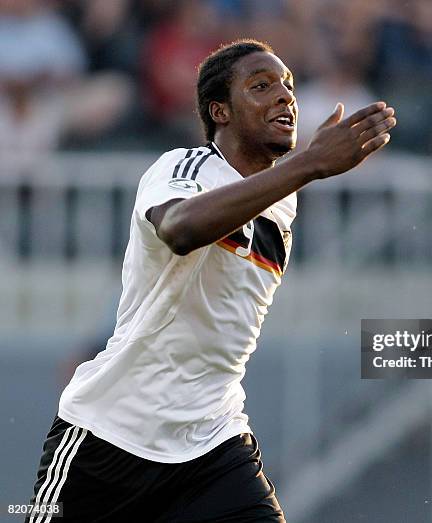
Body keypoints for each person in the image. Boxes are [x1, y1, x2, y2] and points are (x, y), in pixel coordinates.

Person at [26, 39, 396, 522]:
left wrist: (303, 170)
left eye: (288, 86)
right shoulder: (181, 168)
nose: (285, 96)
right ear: (219, 111)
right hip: (111, 436)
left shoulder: (284, 198)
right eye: (261, 86)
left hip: (213, 442)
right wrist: (310, 163)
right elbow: (181, 230)